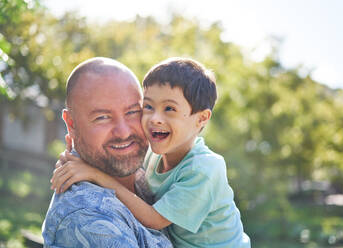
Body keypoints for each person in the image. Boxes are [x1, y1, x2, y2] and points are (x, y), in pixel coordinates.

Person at [51, 57, 251, 248]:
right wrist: (74, 157)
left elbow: (154, 220)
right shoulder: (88, 217)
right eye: (148, 107)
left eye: (169, 109)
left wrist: (95, 174)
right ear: (71, 123)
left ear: (201, 119)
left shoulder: (204, 168)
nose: (155, 118)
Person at [42, 57, 173, 248]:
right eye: (102, 117)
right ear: (71, 123)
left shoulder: (150, 172)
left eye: (133, 112)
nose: (124, 132)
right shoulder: (88, 216)